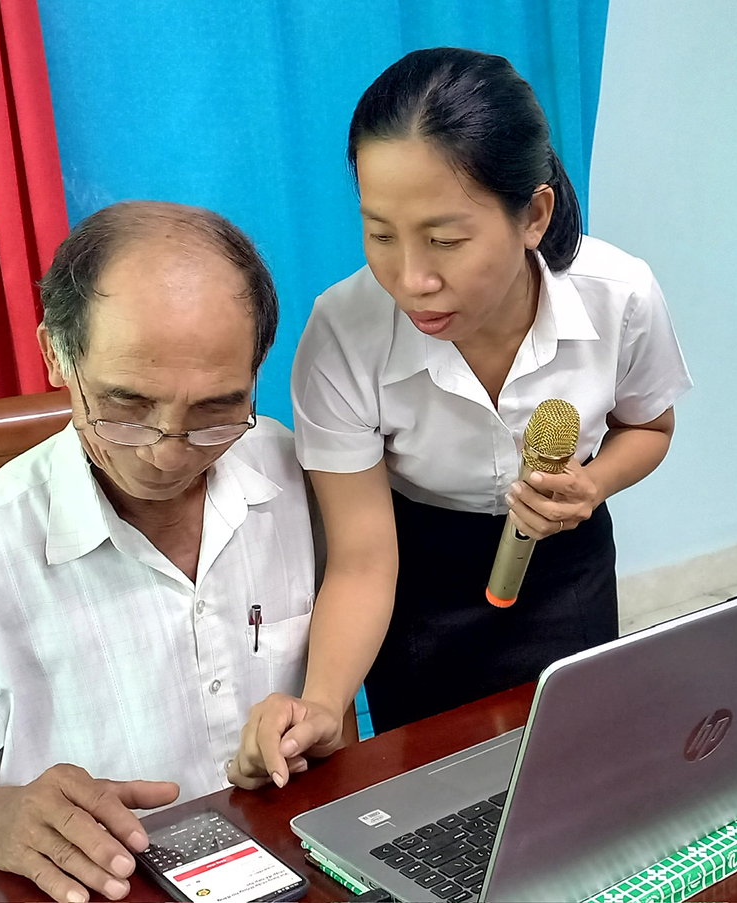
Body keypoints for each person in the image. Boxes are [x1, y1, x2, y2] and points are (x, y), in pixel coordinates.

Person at [0, 201, 321, 903]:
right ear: (57, 355)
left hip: (295, 870)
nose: (166, 452)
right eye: (126, 406)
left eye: (215, 411)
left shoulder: (296, 476)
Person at [229, 47, 692, 789]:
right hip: (417, 577)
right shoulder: (344, 333)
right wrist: (321, 704)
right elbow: (362, 558)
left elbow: (650, 427)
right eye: (381, 234)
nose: (412, 278)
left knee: (574, 777)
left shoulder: (619, 295)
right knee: (431, 795)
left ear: (533, 214)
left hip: (563, 563)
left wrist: (594, 484)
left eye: (446, 239)